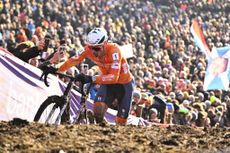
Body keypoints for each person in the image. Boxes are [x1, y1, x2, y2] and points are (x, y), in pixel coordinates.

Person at [46, 27, 135, 125]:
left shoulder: (115, 51)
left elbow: (114, 77)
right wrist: (57, 69)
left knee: (121, 122)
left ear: (105, 44)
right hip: (107, 82)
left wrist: (91, 78)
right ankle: (103, 132)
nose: (93, 52)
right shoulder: (89, 49)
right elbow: (73, 60)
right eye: (91, 48)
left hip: (124, 85)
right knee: (98, 112)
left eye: (97, 48)